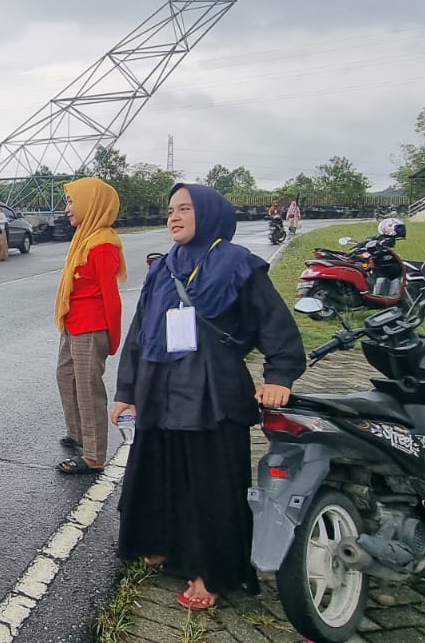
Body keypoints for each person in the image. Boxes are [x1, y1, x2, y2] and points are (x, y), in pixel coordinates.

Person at [113, 183, 305, 610]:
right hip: (158, 386)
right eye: (170, 210)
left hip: (210, 390)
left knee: (208, 483)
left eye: (185, 209)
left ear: (210, 213)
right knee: (161, 471)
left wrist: (280, 376)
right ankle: (161, 541)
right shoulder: (162, 267)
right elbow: (140, 332)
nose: (174, 217)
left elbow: (275, 326)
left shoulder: (237, 264)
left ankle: (210, 569)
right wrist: (126, 391)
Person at [54, 177, 125, 475]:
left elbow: (112, 297)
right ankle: (78, 432)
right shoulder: (84, 236)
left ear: (91, 203)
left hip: (91, 326)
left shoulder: (102, 244)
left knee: (87, 387)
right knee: (65, 375)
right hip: (73, 322)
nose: (68, 208)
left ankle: (94, 455)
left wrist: (113, 337)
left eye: (72, 201)